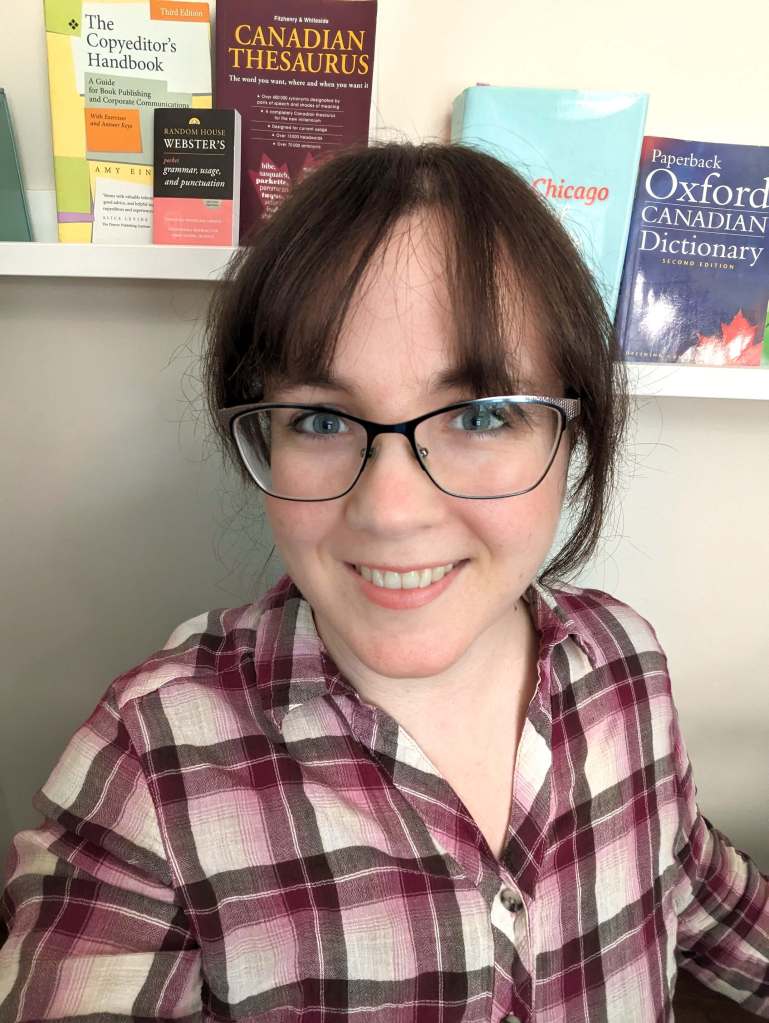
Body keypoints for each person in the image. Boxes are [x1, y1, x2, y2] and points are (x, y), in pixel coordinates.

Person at [0, 142, 766, 1023]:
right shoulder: (151, 763)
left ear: (573, 435)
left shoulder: (625, 664)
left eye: (481, 415)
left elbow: (702, 891)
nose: (391, 509)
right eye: (322, 418)